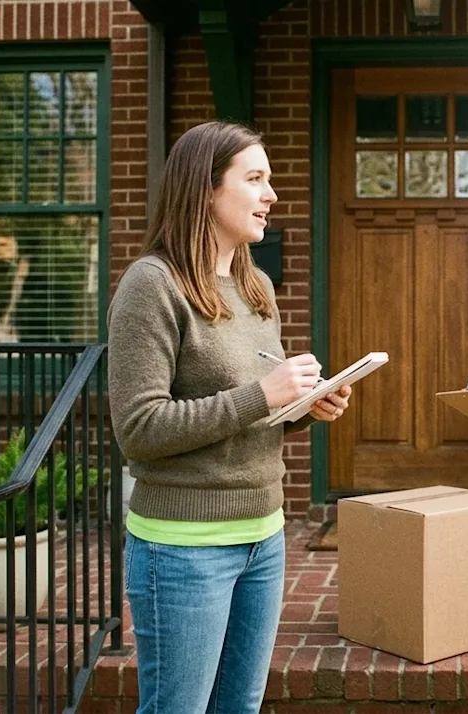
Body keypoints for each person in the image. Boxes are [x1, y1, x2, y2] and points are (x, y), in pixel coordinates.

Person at [107, 121, 353, 714]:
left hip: (263, 535)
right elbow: (138, 429)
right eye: (255, 178)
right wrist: (262, 395)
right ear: (206, 189)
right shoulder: (152, 285)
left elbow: (251, 408)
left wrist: (301, 409)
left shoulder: (255, 284)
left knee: (239, 707)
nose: (271, 194)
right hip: (185, 549)